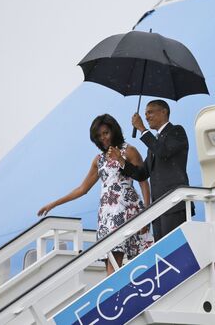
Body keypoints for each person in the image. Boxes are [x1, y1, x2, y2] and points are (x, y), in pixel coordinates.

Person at [37, 114, 152, 276]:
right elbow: (83, 189)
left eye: (105, 133)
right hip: (106, 215)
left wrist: (147, 212)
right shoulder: (98, 160)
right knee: (110, 259)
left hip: (128, 211)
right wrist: (54, 204)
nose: (103, 138)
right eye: (98, 136)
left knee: (135, 260)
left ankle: (123, 296)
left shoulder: (129, 151)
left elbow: (143, 181)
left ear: (114, 131)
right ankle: (114, 297)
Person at [108, 99, 192, 241]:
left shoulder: (176, 131)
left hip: (174, 204)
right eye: (145, 113)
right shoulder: (154, 144)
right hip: (158, 207)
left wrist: (142, 129)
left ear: (164, 112)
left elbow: (164, 152)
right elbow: (142, 174)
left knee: (174, 248)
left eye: (150, 112)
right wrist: (121, 161)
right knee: (163, 252)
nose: (146, 117)